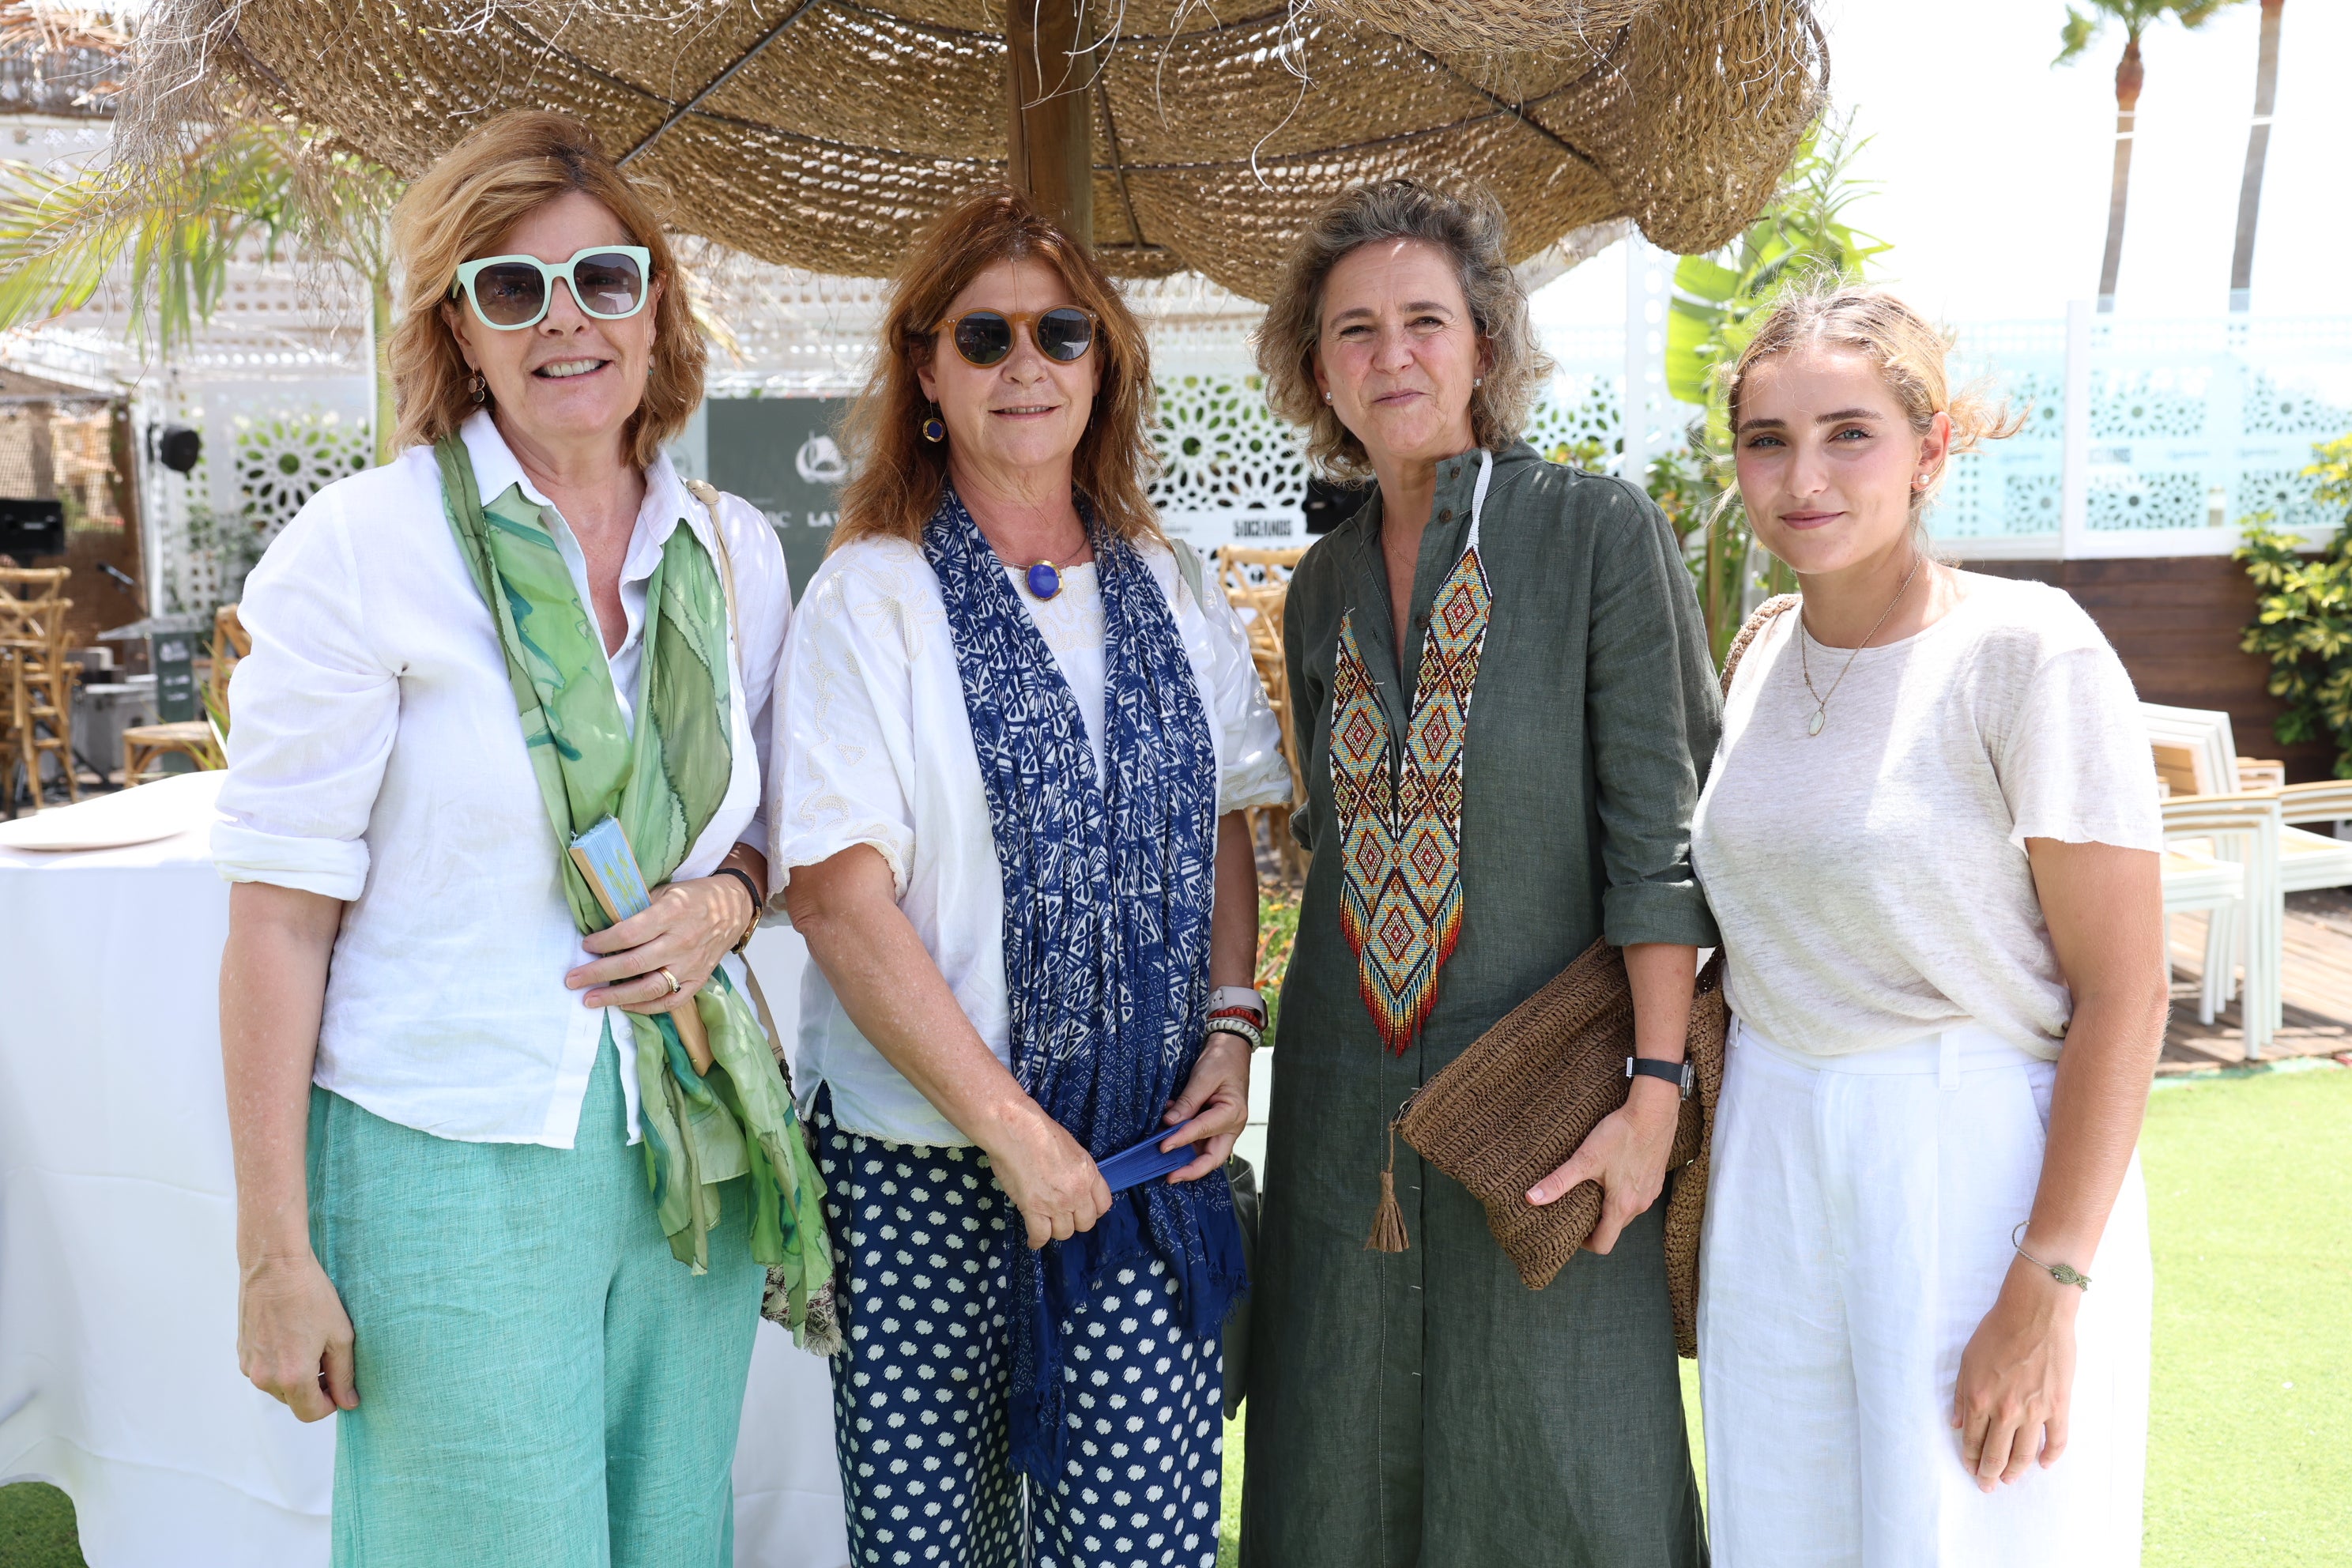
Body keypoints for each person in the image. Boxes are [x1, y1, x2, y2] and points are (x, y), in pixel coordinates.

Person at [213, 111, 829, 1566]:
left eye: (604, 280)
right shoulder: (364, 551)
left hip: (687, 1145)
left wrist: (730, 908)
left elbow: (775, 838)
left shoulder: (734, 552)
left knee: (672, 1540)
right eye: (513, 289)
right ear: (460, 330)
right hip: (450, 1150)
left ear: (655, 305)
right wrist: (272, 1257)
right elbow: (276, 923)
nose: (566, 321)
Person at [771, 186, 1291, 1568]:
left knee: (1136, 1539)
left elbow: (1228, 817)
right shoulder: (869, 597)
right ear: (926, 370)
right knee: (935, 1543)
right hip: (923, 1169)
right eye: (984, 334)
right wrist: (1010, 1129)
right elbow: (833, 895)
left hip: (1136, 1166)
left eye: (1062, 333)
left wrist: (1235, 1025)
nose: (1027, 364)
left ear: (1103, 366)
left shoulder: (1164, 582)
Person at [1242, 179, 1719, 1567]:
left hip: (1554, 1102)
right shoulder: (1321, 584)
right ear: (1317, 367)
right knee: (1342, 1441)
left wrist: (1655, 1092)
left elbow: (1660, 837)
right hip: (1342, 1109)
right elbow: (1336, 839)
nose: (1392, 355)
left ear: (1485, 347)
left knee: (1564, 1451)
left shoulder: (1596, 536)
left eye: (1424, 322)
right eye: (1355, 331)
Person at [1690, 286, 2167, 1565]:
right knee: (1782, 1529)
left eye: (1850, 433)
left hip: (1969, 1159)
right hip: (1774, 1151)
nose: (1803, 477)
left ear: (1931, 449)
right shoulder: (1759, 654)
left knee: (1974, 1531)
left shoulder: (2025, 649)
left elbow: (2126, 991)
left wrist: (2052, 1279)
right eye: (1767, 439)